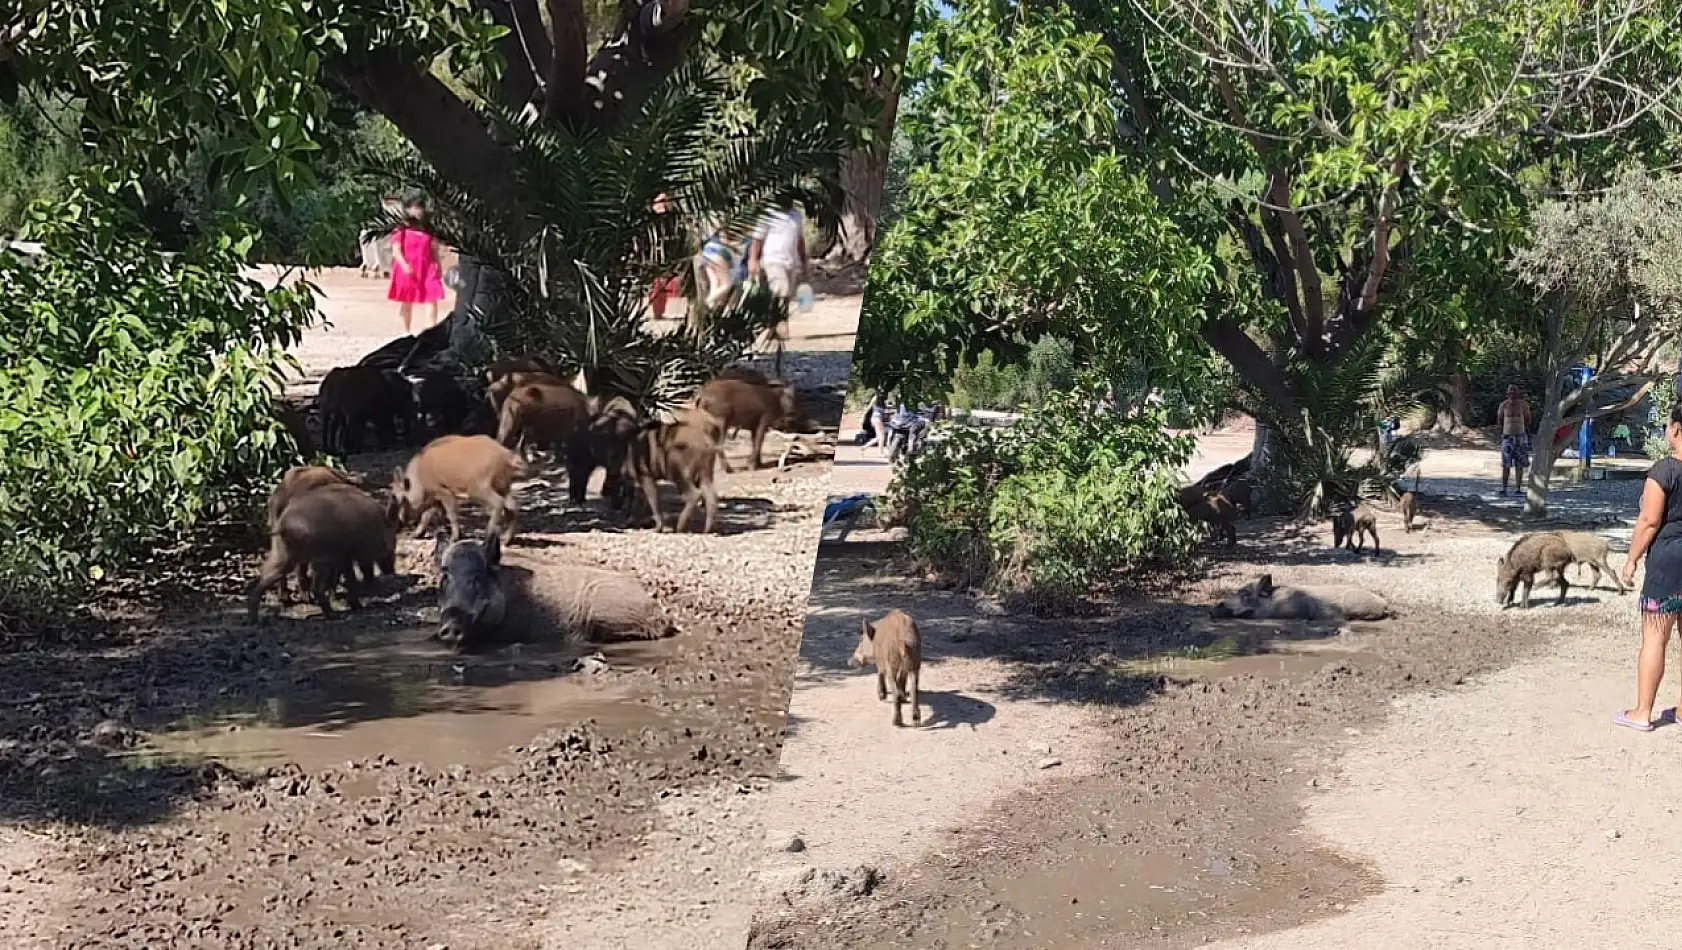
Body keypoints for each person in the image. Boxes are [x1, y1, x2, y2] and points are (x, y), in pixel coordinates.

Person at [1616, 402, 1682, 731]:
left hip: (1669, 561)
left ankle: (1643, 712)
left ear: (1675, 429)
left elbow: (1649, 520)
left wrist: (1631, 559)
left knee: (1655, 638)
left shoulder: (1664, 470)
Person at [748, 194, 809, 373]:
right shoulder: (768, 214)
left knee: (787, 294)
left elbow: (800, 239)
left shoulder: (796, 215)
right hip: (773, 260)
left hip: (791, 261)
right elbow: (757, 240)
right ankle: (772, 326)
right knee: (779, 291)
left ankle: (778, 324)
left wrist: (804, 259)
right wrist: (753, 259)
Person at [388, 197, 446, 334]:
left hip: (427, 267)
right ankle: (405, 332)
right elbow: (396, 250)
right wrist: (404, 265)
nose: (417, 211)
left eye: (419, 207)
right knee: (407, 300)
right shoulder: (400, 229)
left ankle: (430, 330)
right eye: (414, 207)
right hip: (408, 268)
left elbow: (434, 249)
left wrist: (438, 265)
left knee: (432, 297)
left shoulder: (428, 229)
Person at [1497, 384, 1533, 497]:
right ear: (1507, 393)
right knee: (1506, 464)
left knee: (1520, 464)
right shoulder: (1503, 405)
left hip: (1520, 437)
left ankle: (1518, 488)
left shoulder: (1523, 405)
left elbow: (1528, 419)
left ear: (1518, 393)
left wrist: (1521, 429)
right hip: (1507, 437)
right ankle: (1504, 488)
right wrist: (1505, 431)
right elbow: (1500, 419)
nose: (1512, 393)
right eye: (1510, 391)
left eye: (1514, 391)